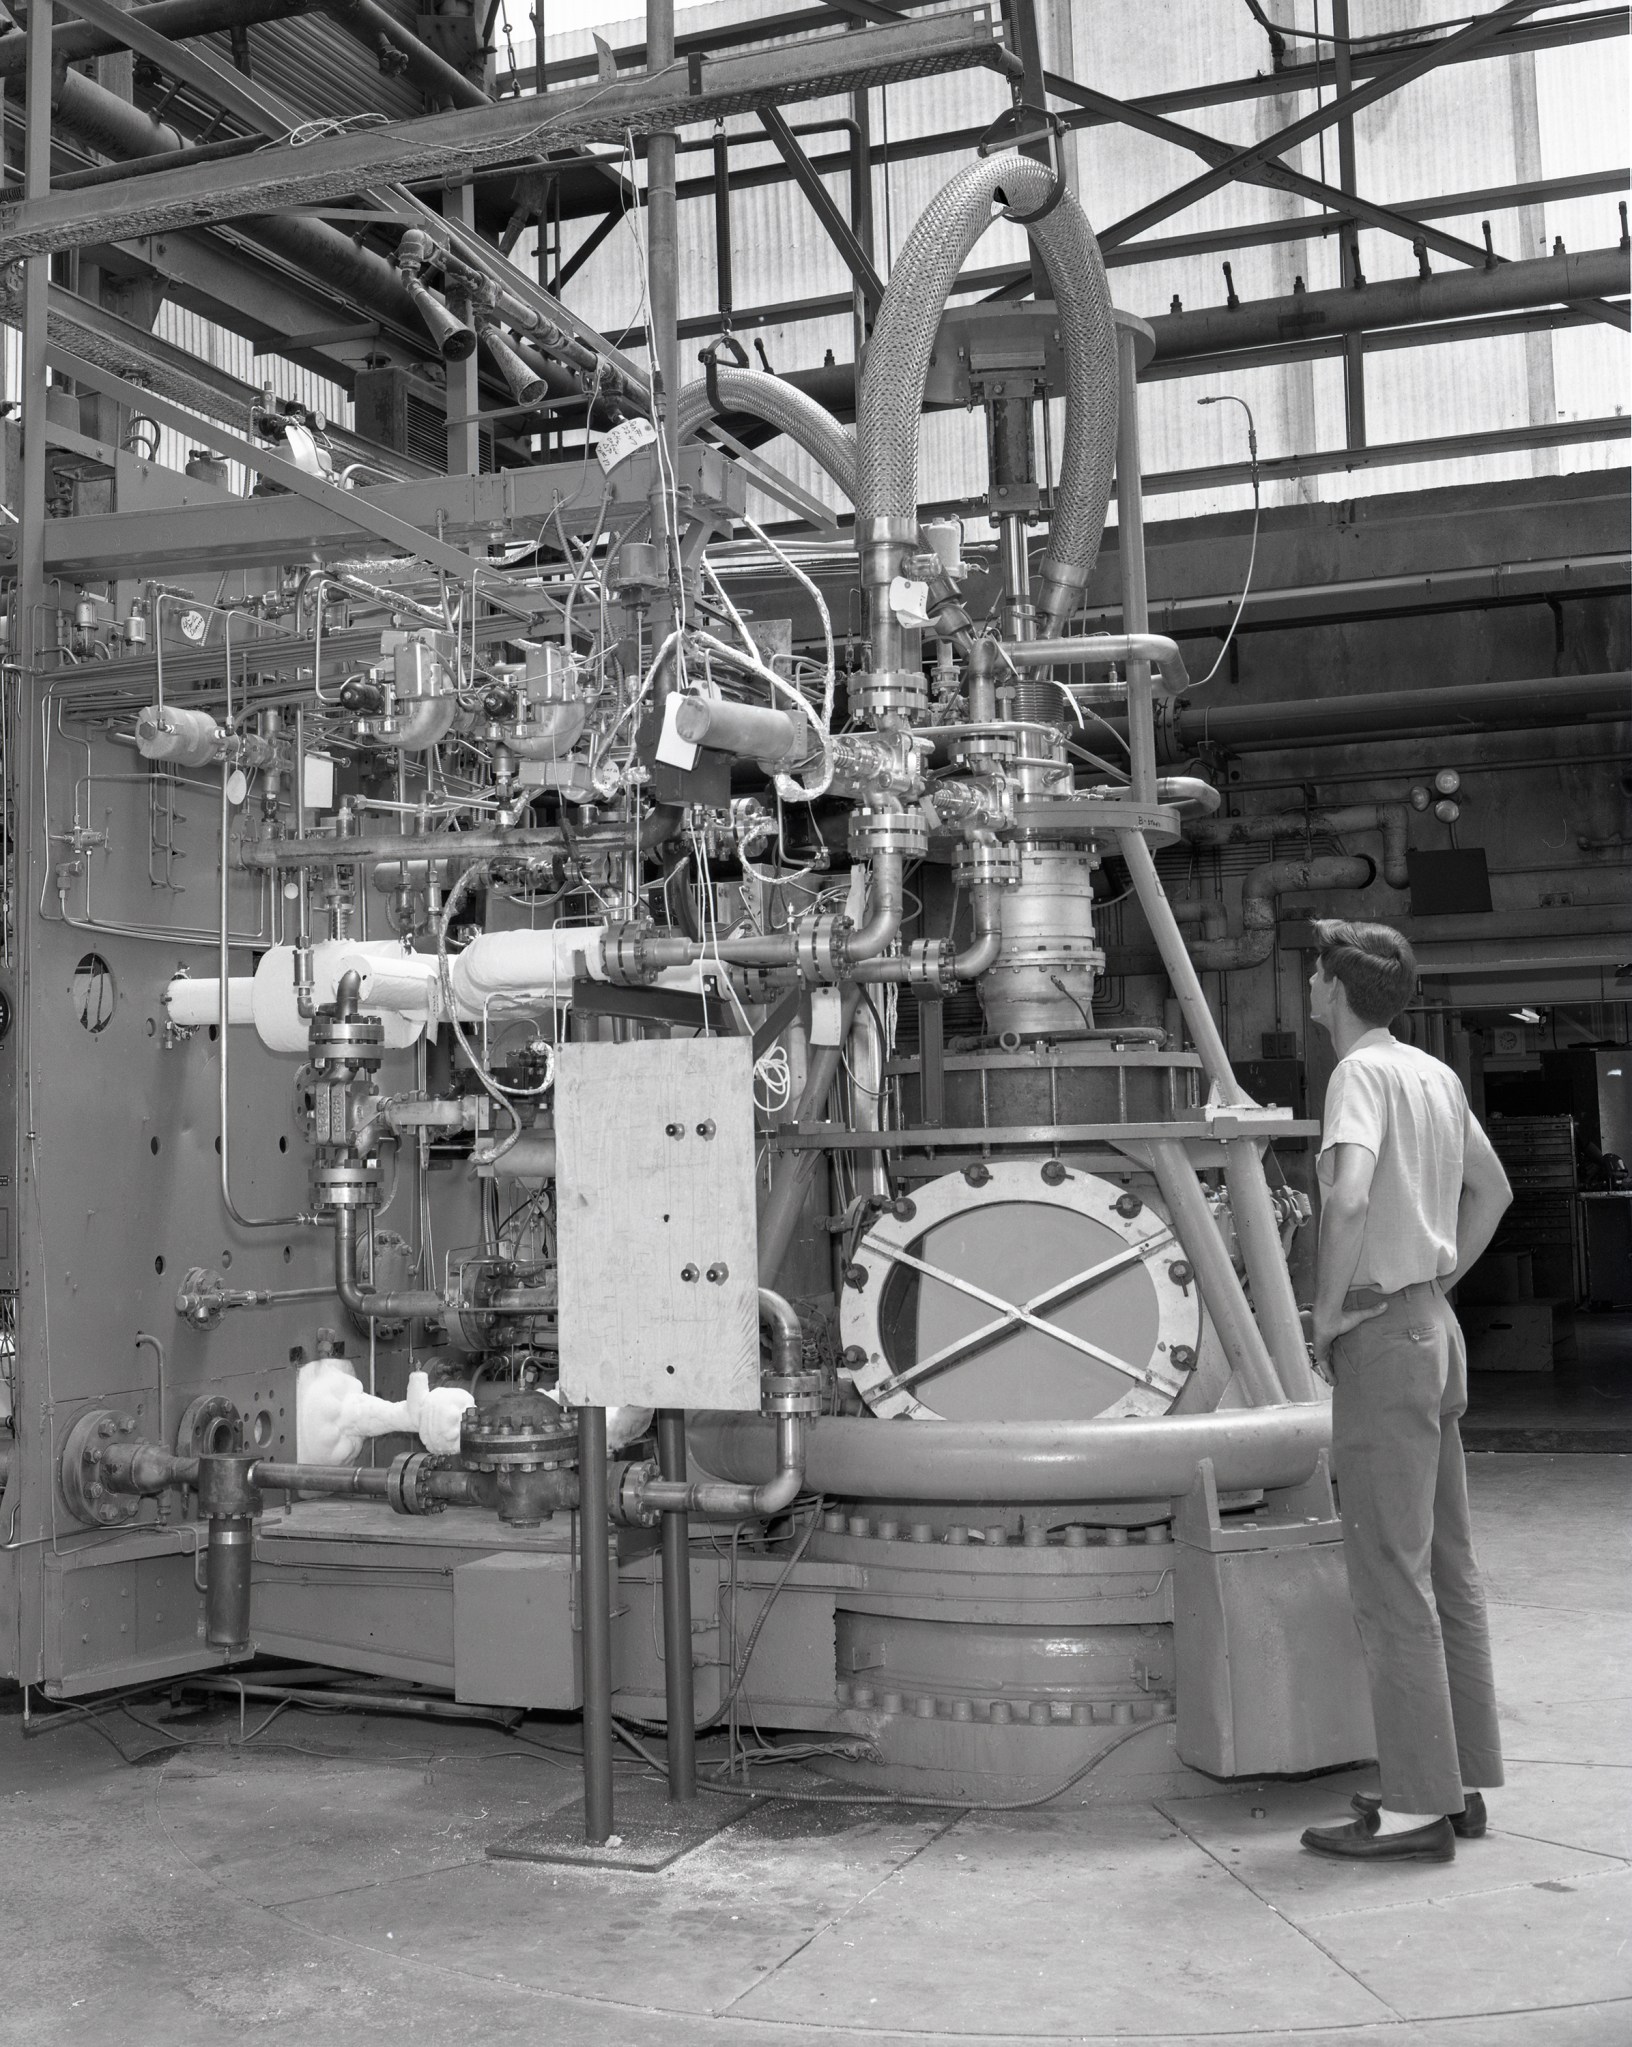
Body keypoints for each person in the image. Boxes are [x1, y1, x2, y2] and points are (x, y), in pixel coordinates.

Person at [1298, 919, 1512, 1865]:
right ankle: (1458, 1782)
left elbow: (1346, 1199)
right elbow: (1493, 1192)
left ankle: (1416, 1808)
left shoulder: (1360, 1076)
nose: (1308, 983)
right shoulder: (1433, 1073)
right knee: (1447, 1568)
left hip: (1385, 1338)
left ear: (1334, 991)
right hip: (1435, 1330)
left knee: (1389, 1574)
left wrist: (1330, 1311)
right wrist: (1436, 1281)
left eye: (1315, 972)